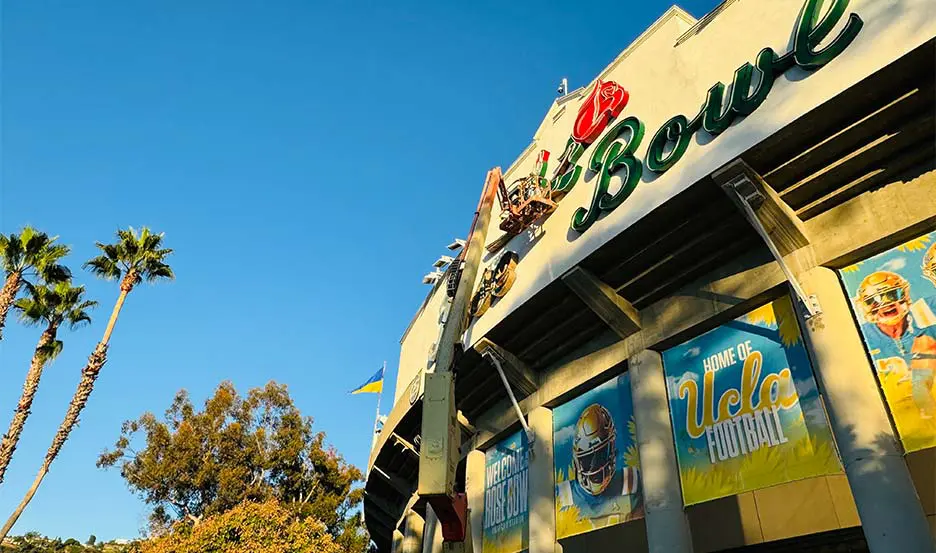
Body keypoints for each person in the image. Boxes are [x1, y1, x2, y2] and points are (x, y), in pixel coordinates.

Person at [855, 270, 936, 419]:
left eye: (892, 294)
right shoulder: (859, 337)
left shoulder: (927, 311)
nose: (884, 304)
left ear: (904, 295)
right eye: (872, 301)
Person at [556, 404, 639, 521]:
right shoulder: (561, 496)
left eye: (601, 455)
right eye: (587, 460)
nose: (595, 468)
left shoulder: (631, 481)